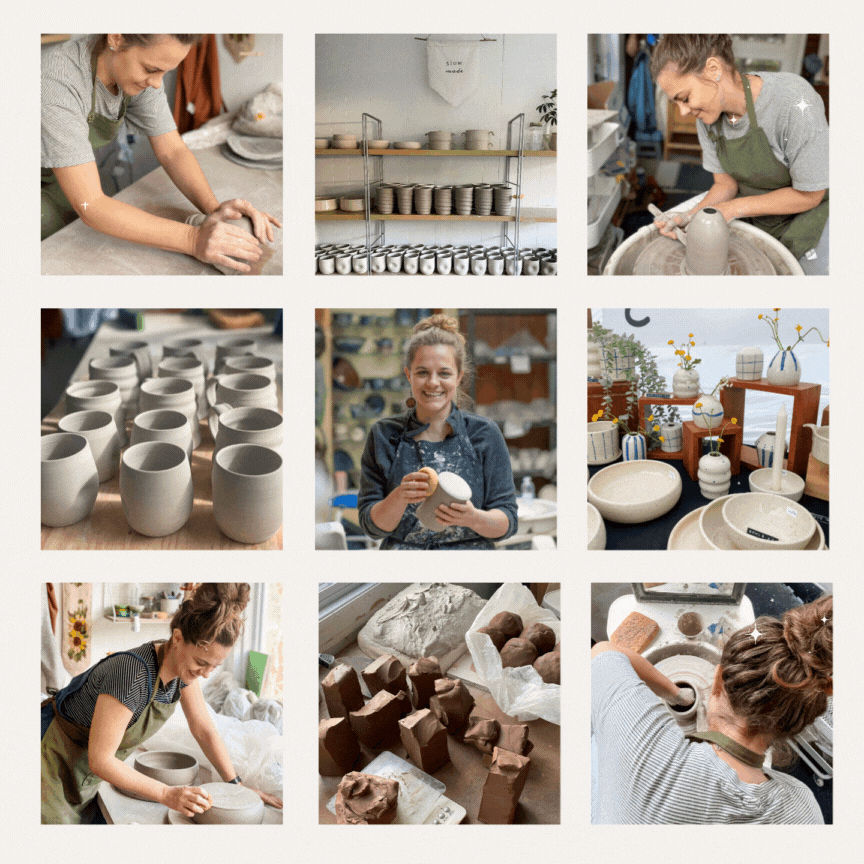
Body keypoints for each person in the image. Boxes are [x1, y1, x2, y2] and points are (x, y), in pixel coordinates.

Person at [41, 583, 282, 823]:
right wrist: (166, 793)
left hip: (82, 769)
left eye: (214, 666)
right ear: (177, 638)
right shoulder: (132, 675)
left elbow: (203, 729)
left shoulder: (182, 670)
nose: (206, 674)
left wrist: (237, 786)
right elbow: (101, 760)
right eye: (201, 662)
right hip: (51, 758)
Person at [41, 34, 280, 272]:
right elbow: (90, 203)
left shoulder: (137, 71)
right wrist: (193, 240)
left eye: (164, 72)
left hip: (68, 181)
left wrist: (214, 211)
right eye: (151, 69)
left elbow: (172, 150)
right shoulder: (57, 82)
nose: (157, 83)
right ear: (116, 38)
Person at [591, 594, 832, 823]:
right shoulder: (804, 808)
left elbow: (603, 651)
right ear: (794, 724)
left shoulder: (642, 748)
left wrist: (674, 694)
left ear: (717, 682)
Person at [650, 35, 828, 275]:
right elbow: (725, 184)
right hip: (754, 214)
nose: (683, 112)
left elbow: (810, 195)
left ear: (713, 69)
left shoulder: (793, 102)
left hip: (806, 219)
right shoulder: (708, 117)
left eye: (685, 98)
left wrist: (731, 209)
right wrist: (689, 217)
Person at [358, 314, 518, 550]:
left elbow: (508, 522)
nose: (433, 383)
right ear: (408, 375)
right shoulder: (384, 435)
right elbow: (371, 527)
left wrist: (472, 517)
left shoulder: (484, 433)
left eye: (444, 373)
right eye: (422, 372)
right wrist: (400, 496)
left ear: (459, 377)